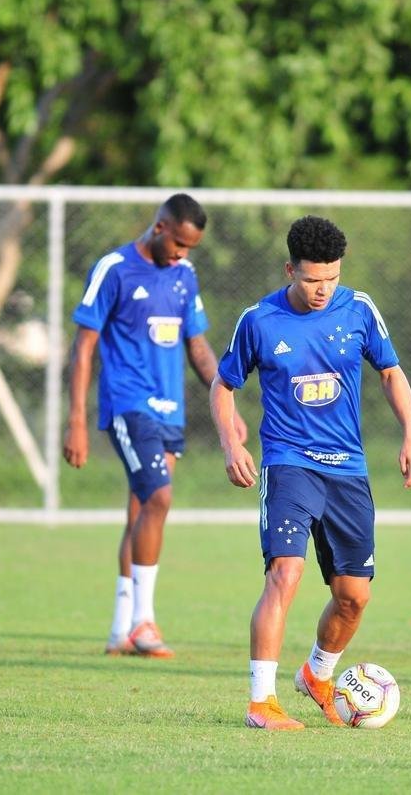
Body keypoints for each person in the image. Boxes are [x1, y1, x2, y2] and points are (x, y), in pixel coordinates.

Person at [209, 215, 411, 730]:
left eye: (331, 277)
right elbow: (223, 386)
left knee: (353, 598)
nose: (323, 289)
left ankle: (317, 673)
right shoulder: (259, 320)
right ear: (290, 270)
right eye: (311, 279)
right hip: (289, 464)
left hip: (347, 470)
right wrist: (231, 443)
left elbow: (391, 373)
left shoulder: (360, 309)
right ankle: (261, 702)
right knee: (285, 573)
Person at [63, 193, 244, 658]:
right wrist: (76, 420)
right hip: (128, 404)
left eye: (191, 248)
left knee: (142, 510)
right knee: (159, 497)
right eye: (179, 243)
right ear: (160, 226)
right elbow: (83, 347)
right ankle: (144, 621)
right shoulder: (114, 269)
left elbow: (198, 347)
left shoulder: (184, 275)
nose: (183, 254)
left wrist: (226, 404)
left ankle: (120, 629)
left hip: (170, 411)